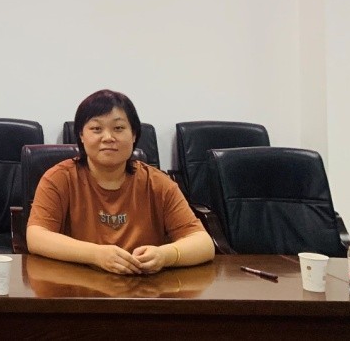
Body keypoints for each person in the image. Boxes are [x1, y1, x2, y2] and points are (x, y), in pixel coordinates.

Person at [27, 89, 215, 275]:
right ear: (81, 136)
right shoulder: (59, 178)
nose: (108, 138)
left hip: (142, 287)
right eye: (96, 129)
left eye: (118, 128)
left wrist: (165, 255)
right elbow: (36, 236)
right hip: (76, 287)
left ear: (134, 135)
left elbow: (203, 243)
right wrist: (95, 255)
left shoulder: (157, 183)